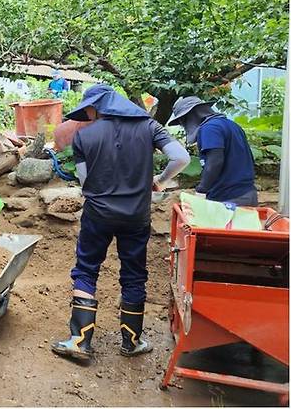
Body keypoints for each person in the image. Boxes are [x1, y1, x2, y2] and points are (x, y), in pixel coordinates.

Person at [51, 84, 190, 361]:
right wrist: (159, 182)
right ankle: (132, 341)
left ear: (99, 106)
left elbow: (85, 181)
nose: (87, 115)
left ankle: (80, 341)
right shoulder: (150, 127)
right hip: (136, 216)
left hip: (98, 215)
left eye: (89, 109)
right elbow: (181, 158)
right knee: (134, 274)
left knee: (86, 270)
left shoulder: (85, 136)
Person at [167, 96, 258, 206]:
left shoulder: (210, 128)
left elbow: (215, 161)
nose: (183, 126)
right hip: (247, 193)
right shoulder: (231, 125)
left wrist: (201, 190)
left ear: (192, 115)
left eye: (183, 121)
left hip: (229, 198)